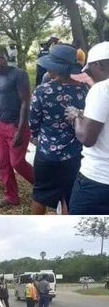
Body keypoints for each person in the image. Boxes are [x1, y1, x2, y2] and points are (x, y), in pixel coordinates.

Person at [29, 44, 88, 214]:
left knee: (40, 195)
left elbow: (33, 122)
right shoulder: (83, 91)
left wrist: (38, 136)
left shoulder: (42, 91)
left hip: (47, 155)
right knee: (69, 196)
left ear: (56, 68)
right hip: (75, 155)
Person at [0, 45, 35, 207]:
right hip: (0, 125)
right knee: (3, 163)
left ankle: (43, 187)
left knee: (17, 163)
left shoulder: (19, 75)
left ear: (7, 57)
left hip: (16, 125)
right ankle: (11, 196)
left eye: (0, 58)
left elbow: (25, 102)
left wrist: (21, 130)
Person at [66, 41, 109, 213]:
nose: (90, 77)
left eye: (90, 71)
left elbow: (87, 138)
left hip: (98, 180)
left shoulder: (102, 89)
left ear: (99, 64)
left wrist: (76, 116)